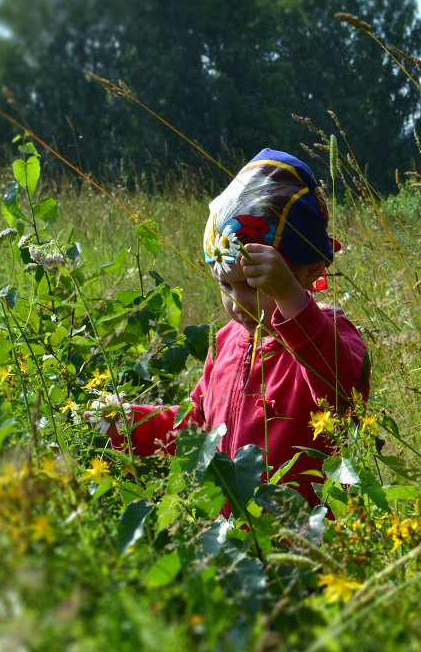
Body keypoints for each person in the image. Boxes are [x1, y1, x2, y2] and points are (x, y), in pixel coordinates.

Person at [99, 149, 369, 506]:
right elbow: (198, 428)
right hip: (232, 541)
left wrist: (290, 298)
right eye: (225, 286)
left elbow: (343, 389)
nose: (237, 302)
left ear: (310, 273)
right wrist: (127, 423)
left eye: (256, 286)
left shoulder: (328, 332)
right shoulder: (226, 341)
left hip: (307, 538)